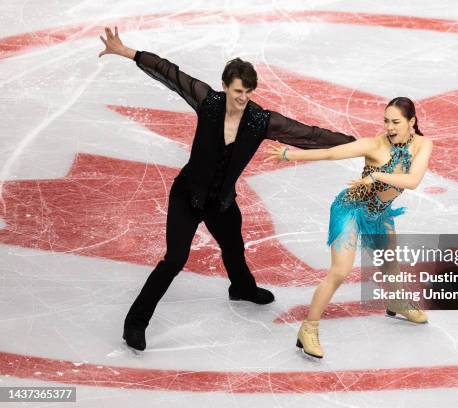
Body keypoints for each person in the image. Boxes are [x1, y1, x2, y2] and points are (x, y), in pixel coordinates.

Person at [98, 26, 356, 351]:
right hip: (187, 195)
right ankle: (134, 324)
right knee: (175, 259)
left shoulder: (259, 120)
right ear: (224, 86)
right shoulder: (207, 102)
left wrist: (360, 145)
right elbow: (169, 72)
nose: (243, 98)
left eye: (248, 91)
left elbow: (309, 135)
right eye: (237, 91)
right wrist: (127, 52)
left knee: (234, 248)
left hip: (221, 202)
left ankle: (242, 288)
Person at [266, 97, 433, 359]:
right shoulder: (373, 145)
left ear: (412, 121)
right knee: (340, 271)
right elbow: (330, 153)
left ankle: (396, 301)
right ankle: (308, 329)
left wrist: (376, 175)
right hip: (351, 209)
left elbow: (412, 180)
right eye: (386, 121)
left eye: (396, 122)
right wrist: (289, 155)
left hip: (379, 212)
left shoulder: (424, 144)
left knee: (390, 262)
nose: (389, 127)